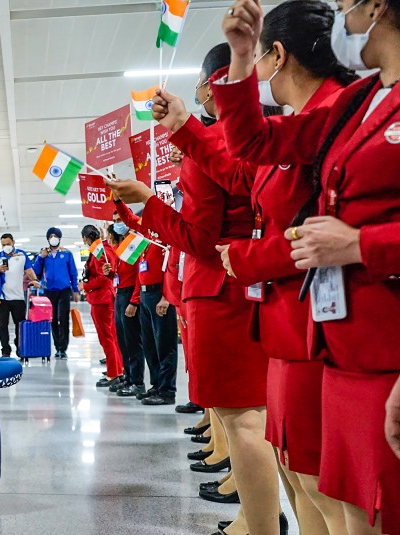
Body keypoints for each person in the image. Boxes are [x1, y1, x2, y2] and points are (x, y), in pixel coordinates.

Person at [215, 0, 400, 531]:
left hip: (382, 332)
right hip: (340, 337)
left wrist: (362, 244)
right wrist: (241, 59)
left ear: (376, 8)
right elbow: (254, 142)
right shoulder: (360, 100)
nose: (342, 22)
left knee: (365, 508)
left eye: (345, 8)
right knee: (339, 500)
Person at [194, 2, 358, 531]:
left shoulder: (342, 112)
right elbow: (248, 158)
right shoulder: (305, 122)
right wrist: (242, 57)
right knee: (302, 472)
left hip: (324, 315)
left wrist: (247, 257)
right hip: (288, 320)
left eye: (260, 57)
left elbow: (326, 231)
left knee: (330, 489)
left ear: (279, 55)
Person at [105, 43, 279, 535]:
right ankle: (254, 517)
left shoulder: (215, 144)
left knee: (243, 420)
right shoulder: (252, 140)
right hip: (244, 284)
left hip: (221, 290)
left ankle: (262, 525)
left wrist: (148, 202)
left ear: (212, 85)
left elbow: (200, 239)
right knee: (252, 416)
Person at [113, 200, 179, 406]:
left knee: (164, 345)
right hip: (145, 295)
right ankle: (156, 385)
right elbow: (129, 219)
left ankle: (167, 390)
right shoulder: (146, 237)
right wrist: (117, 200)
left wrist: (166, 297)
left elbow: (172, 268)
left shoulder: (165, 237)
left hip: (159, 294)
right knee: (150, 345)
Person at [104, 219, 145, 397]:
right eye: (115, 221)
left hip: (129, 295)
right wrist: (110, 273)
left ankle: (137, 381)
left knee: (133, 341)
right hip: (120, 294)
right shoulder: (121, 249)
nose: (116, 224)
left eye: (119, 220)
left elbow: (139, 276)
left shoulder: (135, 244)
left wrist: (134, 301)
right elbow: (120, 274)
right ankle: (128, 377)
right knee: (123, 341)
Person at [79, 225, 123, 388]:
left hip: (101, 299)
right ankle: (117, 368)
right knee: (111, 336)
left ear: (85, 238)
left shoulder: (99, 251)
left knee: (107, 338)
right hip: (104, 298)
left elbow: (104, 277)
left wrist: (86, 286)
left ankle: (114, 373)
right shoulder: (102, 248)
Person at [0, 233, 41, 358]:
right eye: (3, 245)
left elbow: (29, 270)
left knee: (20, 325)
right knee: (2, 325)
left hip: (18, 297)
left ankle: (20, 347)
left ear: (13, 242)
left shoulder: (21, 255)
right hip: (2, 298)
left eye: (8, 244)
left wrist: (35, 280)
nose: (6, 246)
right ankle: (5, 350)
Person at [32, 227, 80, 359]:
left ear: (59, 238)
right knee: (52, 318)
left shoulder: (67, 253)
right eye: (51, 236)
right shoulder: (44, 254)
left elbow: (73, 273)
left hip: (64, 290)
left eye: (55, 236)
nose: (53, 238)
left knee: (63, 318)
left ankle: (63, 348)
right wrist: (40, 258)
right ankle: (57, 346)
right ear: (48, 239)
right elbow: (36, 272)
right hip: (49, 291)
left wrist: (75, 290)